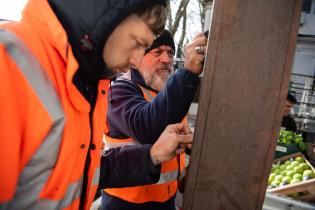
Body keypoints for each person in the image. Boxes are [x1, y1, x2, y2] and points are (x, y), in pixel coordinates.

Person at [0, 0, 196, 209]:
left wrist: (152, 155)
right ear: (107, 14)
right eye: (138, 42)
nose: (137, 60)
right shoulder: (9, 60)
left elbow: (84, 169)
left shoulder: (89, 83)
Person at [101, 30, 207, 210]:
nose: (166, 60)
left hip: (166, 199)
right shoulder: (119, 91)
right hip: (125, 204)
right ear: (137, 58)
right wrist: (188, 71)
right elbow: (147, 128)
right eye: (157, 53)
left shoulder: (167, 92)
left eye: (170, 53)